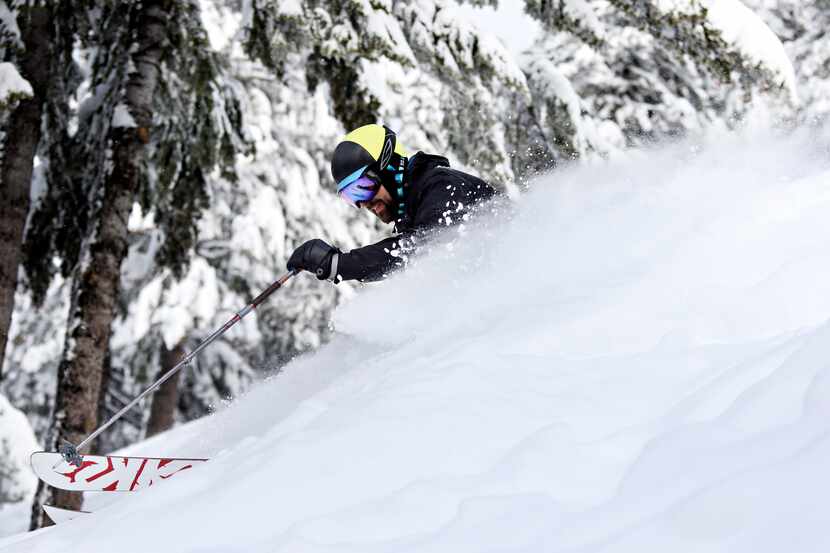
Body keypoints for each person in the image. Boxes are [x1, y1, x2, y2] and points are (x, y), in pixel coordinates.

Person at [287, 124, 496, 282]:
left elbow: (421, 249)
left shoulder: (442, 187)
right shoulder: (416, 209)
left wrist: (338, 265)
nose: (363, 204)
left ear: (389, 169)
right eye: (352, 197)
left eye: (362, 187)